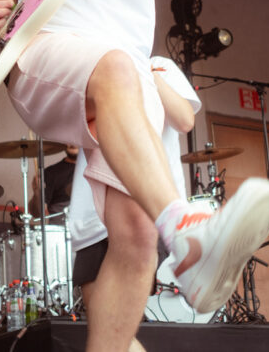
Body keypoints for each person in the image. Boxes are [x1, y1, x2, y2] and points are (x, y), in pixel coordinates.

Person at [0, 0, 269, 347]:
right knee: (111, 63)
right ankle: (189, 235)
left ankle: (167, 263)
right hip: (43, 59)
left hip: (127, 83)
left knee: (135, 238)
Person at [69, 56, 200, 352]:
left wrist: (145, 74)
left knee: (120, 323)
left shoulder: (160, 64)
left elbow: (184, 119)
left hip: (143, 204)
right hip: (90, 213)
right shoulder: (90, 57)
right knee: (107, 329)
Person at [29, 145, 79, 222]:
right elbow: (37, 214)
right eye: (69, 137)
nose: (72, 142)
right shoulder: (50, 173)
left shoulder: (96, 171)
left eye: (76, 137)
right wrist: (37, 194)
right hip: (60, 231)